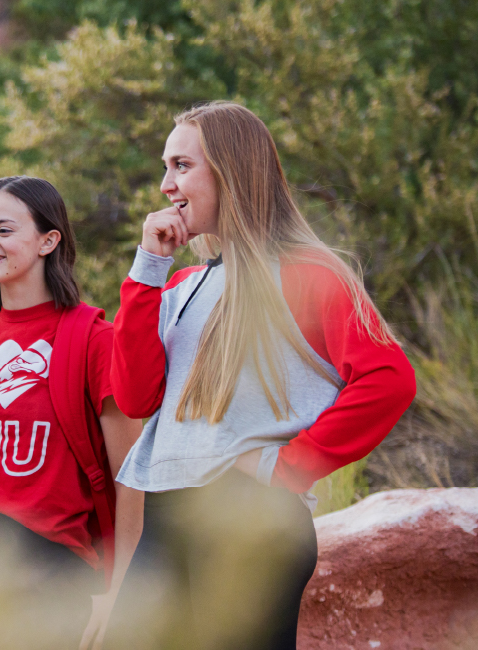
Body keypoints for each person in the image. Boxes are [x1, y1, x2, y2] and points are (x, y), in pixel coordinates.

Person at [105, 101, 416, 649]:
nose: (164, 185)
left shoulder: (308, 275)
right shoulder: (176, 288)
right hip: (168, 514)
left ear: (229, 170)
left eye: (181, 166)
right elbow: (134, 397)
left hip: (251, 518)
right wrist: (148, 269)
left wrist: (287, 465)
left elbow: (389, 381)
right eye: (164, 166)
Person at [0, 176, 144, 650]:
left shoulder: (95, 340)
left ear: (48, 240)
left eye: (3, 229)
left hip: (51, 570)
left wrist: (118, 590)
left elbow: (131, 479)